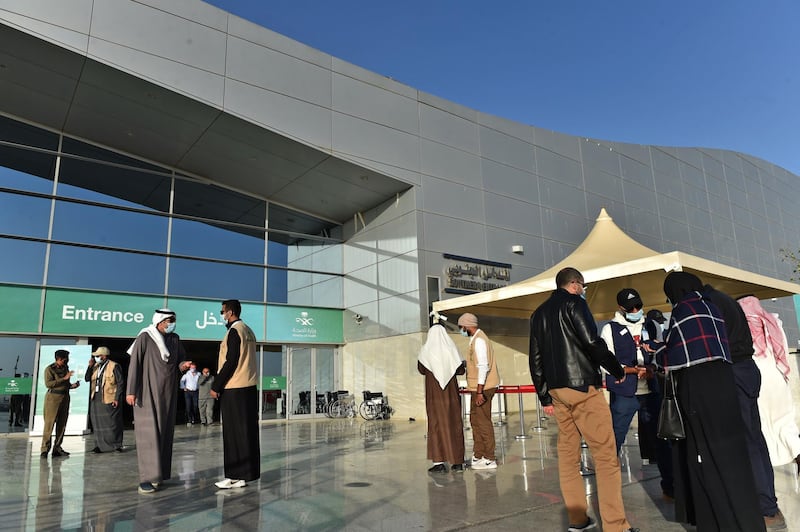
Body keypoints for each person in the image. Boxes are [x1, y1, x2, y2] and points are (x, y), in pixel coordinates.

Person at [529, 267, 638, 532]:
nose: (584, 290)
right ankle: (616, 526)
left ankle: (578, 520)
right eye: (584, 285)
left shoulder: (539, 313)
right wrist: (617, 369)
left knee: (568, 457)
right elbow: (591, 342)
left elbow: (535, 358)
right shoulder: (575, 304)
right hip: (583, 389)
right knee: (605, 455)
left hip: (557, 391)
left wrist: (544, 396)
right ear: (575, 284)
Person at [655, 272, 764, 531]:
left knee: (707, 458)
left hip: (699, 390)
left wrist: (656, 352)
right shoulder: (713, 307)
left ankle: (717, 523)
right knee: (734, 457)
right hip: (725, 384)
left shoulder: (684, 310)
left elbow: (674, 357)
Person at [702, 283, 786, 530]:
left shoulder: (715, 307)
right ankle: (768, 503)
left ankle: (765, 507)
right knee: (757, 440)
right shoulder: (747, 312)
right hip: (757, 372)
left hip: (740, 373)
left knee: (749, 443)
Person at [126, 309, 192, 494]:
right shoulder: (145, 337)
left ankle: (159, 475)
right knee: (148, 434)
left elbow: (179, 362)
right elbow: (135, 364)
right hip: (146, 392)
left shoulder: (175, 339)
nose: (172, 324)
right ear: (161, 321)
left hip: (168, 393)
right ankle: (146, 479)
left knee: (164, 433)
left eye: (174, 321)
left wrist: (184, 366)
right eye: (170, 321)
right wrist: (131, 390)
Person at [738, 296, 800, 475]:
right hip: (776, 375)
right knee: (785, 422)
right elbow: (782, 351)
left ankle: (768, 466)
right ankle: (797, 454)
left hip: (755, 376)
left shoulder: (741, 324)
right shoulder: (772, 320)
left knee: (762, 423)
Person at [211, 299, 260, 489]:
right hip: (248, 387)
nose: (222, 315)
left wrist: (216, 385)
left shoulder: (234, 331)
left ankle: (232, 475)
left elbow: (230, 362)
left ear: (230, 312)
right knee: (246, 432)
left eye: (222, 311)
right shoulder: (248, 330)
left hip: (234, 387)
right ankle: (245, 475)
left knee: (232, 433)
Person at [599, 288, 651, 455]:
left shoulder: (649, 325)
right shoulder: (610, 328)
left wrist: (651, 369)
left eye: (638, 306)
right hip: (624, 391)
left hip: (650, 389)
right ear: (621, 307)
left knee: (657, 433)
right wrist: (631, 370)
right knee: (617, 432)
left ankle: (658, 465)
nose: (635, 311)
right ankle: (609, 466)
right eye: (630, 308)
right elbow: (606, 361)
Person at [417, 314, 466, 473]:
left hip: (434, 396)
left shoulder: (426, 351)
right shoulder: (452, 349)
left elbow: (421, 370)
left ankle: (438, 462)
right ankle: (457, 461)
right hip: (450, 395)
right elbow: (460, 370)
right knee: (454, 425)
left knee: (436, 426)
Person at [457, 313, 499, 471]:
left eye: (461, 327)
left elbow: (483, 366)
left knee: (483, 422)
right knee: (475, 421)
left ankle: (490, 457)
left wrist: (480, 392)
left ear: (467, 326)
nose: (461, 330)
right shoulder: (474, 340)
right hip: (477, 388)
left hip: (483, 388)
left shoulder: (480, 340)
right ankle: (479, 454)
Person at [40, 349, 80, 458]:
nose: (67, 361)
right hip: (53, 398)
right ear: (59, 359)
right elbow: (48, 384)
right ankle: (44, 449)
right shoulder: (50, 369)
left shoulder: (65, 368)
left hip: (65, 397)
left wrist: (72, 386)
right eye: (65, 359)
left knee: (62, 424)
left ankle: (57, 448)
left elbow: (65, 384)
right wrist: (64, 378)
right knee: (49, 424)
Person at [84, 346, 124, 453]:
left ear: (104, 356)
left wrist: (117, 398)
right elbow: (87, 378)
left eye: (98, 356)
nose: (96, 357)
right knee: (97, 422)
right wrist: (90, 366)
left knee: (112, 422)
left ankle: (116, 445)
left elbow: (120, 383)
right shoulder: (95, 366)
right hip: (96, 396)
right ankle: (99, 445)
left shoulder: (114, 366)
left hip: (109, 397)